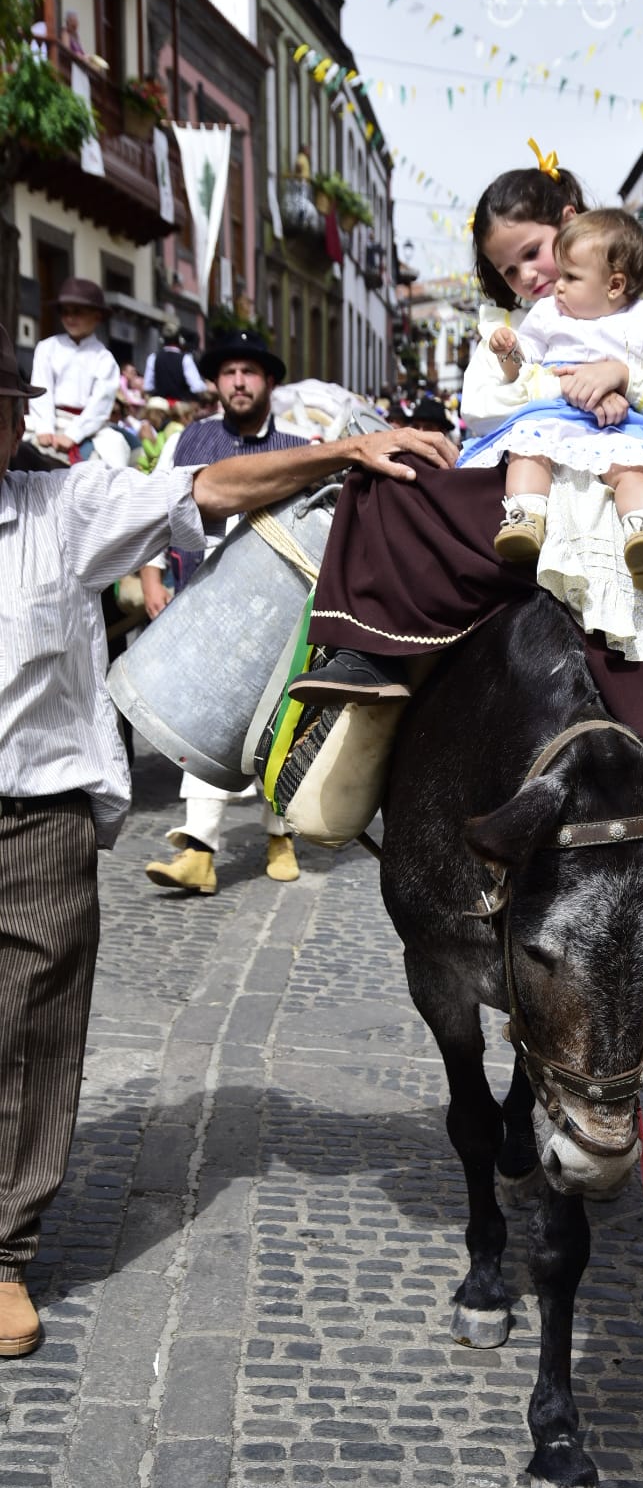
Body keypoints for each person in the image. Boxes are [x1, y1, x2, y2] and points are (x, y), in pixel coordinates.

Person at [0, 321, 457, 1355]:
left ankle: (3, 1252)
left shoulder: (65, 504)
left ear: (12, 421)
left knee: (30, 1032)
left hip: (34, 817)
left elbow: (207, 491)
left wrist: (341, 453)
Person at [288, 153, 643, 775]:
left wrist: (626, 378)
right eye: (506, 267)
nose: (524, 275)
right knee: (387, 485)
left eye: (533, 252)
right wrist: (570, 386)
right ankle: (376, 656)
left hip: (626, 464)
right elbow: (483, 406)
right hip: (533, 463)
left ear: (570, 224)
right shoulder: (508, 320)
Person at [142, 330, 309, 895]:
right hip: (201, 603)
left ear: (269, 382)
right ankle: (199, 851)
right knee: (205, 718)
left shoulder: (298, 446)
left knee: (278, 720)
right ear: (216, 383)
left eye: (250, 372)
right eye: (229, 372)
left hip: (278, 610)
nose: (239, 381)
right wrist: (150, 575)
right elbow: (152, 508)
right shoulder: (189, 443)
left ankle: (280, 832)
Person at [466, 208, 643, 591]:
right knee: (528, 449)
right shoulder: (547, 314)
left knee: (634, 467)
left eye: (570, 277)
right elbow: (522, 364)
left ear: (614, 286)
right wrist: (509, 351)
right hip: (555, 417)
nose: (555, 285)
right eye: (509, 270)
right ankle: (526, 514)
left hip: (618, 424)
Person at [26, 279, 120, 464]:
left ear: (97, 316)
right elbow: (40, 388)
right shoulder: (47, 347)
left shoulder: (104, 358)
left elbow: (100, 404)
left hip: (89, 426)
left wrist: (73, 435)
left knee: (115, 452)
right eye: (65, 312)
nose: (70, 318)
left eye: (78, 312)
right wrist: (45, 427)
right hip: (50, 419)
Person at [144, 317, 207, 403]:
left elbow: (148, 387)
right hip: (180, 409)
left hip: (160, 409)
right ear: (180, 340)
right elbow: (197, 387)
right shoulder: (186, 359)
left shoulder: (153, 358)